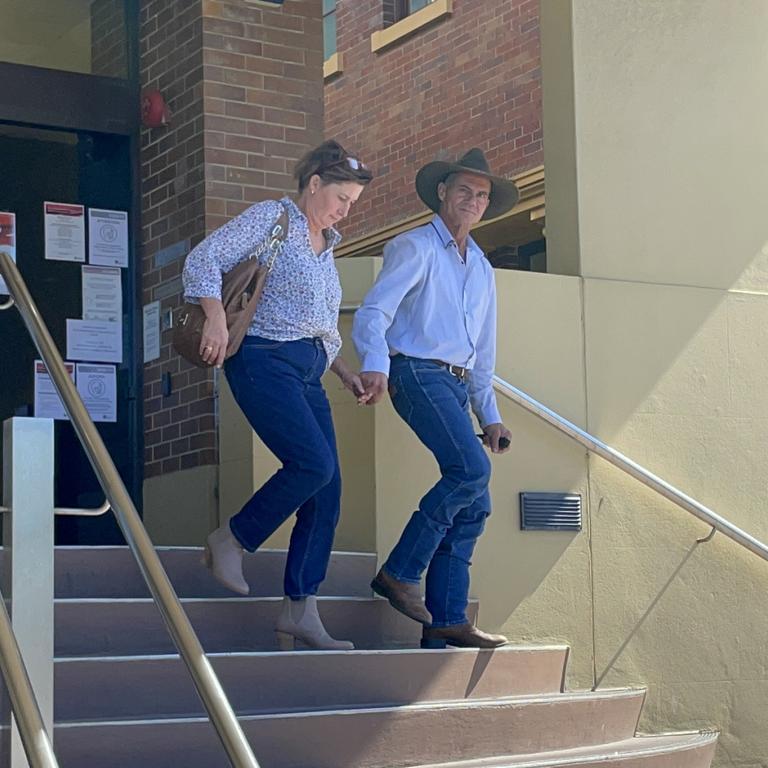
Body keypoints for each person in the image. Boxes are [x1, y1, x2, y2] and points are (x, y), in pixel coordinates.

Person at [182, 140, 373, 650]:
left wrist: (343, 371)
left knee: (326, 491)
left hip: (309, 370)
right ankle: (232, 539)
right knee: (312, 465)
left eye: (352, 202)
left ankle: (300, 610)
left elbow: (318, 324)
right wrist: (217, 319)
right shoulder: (273, 218)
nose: (344, 209)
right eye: (340, 197)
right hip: (263, 360)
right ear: (314, 184)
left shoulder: (327, 246)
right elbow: (204, 258)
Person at [352, 148, 516, 649]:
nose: (473, 200)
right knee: (470, 472)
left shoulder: (483, 267)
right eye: (463, 190)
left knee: (476, 502)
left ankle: (446, 618)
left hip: (456, 383)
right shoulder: (415, 247)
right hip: (415, 373)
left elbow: (482, 351)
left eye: (482, 195)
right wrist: (376, 366)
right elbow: (373, 312)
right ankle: (400, 572)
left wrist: (490, 415)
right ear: (442, 193)